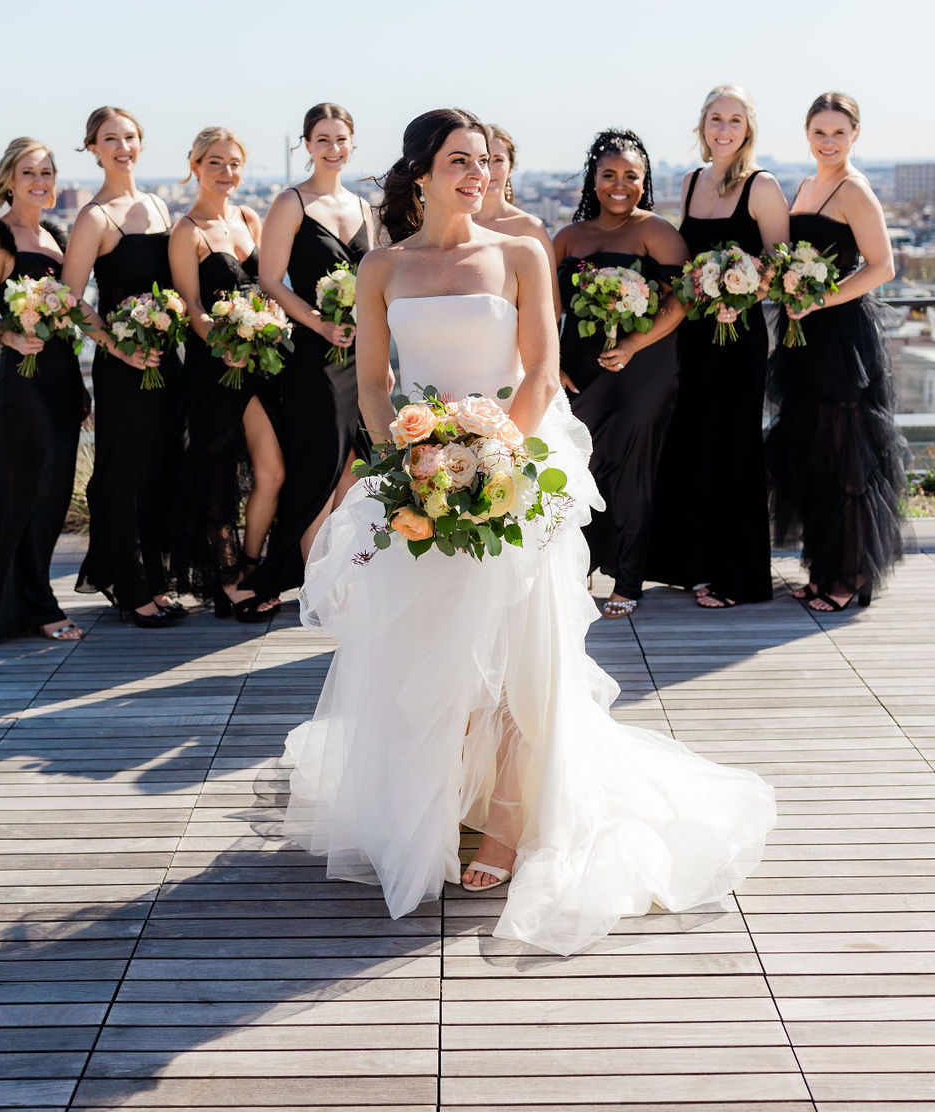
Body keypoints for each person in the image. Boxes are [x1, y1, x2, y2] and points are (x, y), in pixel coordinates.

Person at [282, 107, 775, 957]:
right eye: (460, 162)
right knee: (430, 642)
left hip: (511, 466)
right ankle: (446, 801)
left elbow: (543, 370)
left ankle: (508, 822)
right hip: (419, 472)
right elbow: (373, 382)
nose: (478, 175)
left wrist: (489, 461)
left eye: (485, 162)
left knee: (515, 647)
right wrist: (409, 458)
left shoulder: (518, 252)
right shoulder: (382, 266)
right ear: (421, 174)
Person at [646, 86, 788, 608]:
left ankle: (737, 578)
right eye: (715, 119)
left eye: (734, 119)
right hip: (696, 334)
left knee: (734, 448)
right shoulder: (689, 182)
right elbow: (685, 260)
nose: (723, 128)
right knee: (693, 442)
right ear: (701, 126)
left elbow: (779, 263)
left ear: (747, 128)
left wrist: (744, 292)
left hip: (739, 331)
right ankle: (692, 566)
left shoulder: (761, 185)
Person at [767, 93, 906, 610]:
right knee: (812, 453)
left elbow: (882, 266)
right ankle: (822, 570)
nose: (829, 142)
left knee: (844, 456)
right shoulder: (806, 184)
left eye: (839, 133)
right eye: (820, 133)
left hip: (841, 336)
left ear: (855, 135)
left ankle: (848, 579)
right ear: (807, 134)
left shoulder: (855, 190)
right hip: (803, 334)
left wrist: (818, 297)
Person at [237, 102, 375, 615]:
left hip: (358, 356)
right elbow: (270, 280)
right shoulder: (289, 202)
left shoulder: (365, 208)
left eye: (341, 139)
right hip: (312, 357)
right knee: (318, 473)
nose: (333, 148)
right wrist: (320, 323)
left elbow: (376, 283)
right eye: (322, 139)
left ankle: (336, 577)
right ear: (307, 144)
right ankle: (317, 595)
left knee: (351, 475)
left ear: (352, 142)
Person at [553, 129, 688, 618]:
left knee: (632, 472)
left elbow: (680, 301)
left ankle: (628, 580)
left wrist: (632, 344)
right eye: (609, 174)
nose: (619, 184)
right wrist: (555, 366)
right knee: (579, 470)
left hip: (643, 368)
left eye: (631, 175)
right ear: (594, 178)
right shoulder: (567, 238)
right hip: (579, 371)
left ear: (644, 179)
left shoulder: (657, 231)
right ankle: (578, 572)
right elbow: (549, 313)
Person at [62, 107, 184, 628]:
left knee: (163, 469)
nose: (122, 146)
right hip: (124, 366)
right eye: (109, 139)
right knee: (125, 472)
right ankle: (131, 587)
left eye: (129, 137)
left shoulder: (158, 204)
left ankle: (156, 582)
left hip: (166, 360)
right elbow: (68, 299)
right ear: (92, 148)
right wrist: (118, 346)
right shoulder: (94, 217)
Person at [0, 139, 87, 644]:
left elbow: (73, 313)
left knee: (56, 494)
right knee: (27, 494)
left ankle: (26, 605)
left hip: (62, 378)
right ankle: (38, 607)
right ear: (10, 180)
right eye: (28, 172)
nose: (39, 180)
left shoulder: (55, 237)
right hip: (23, 381)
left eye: (46, 172)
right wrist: (10, 336)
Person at [169, 127, 284, 617]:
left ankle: (253, 563)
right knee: (216, 477)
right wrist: (223, 343)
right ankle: (227, 578)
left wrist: (266, 328)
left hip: (258, 365)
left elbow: (267, 289)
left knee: (272, 472)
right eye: (215, 163)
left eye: (234, 163)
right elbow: (191, 305)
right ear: (195, 167)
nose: (226, 173)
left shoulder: (248, 218)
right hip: (213, 369)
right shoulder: (186, 231)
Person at [477, 123, 561, 315]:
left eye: (498, 160)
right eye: (483, 160)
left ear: (511, 167)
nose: (489, 169)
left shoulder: (530, 228)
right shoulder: (453, 223)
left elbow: (552, 308)